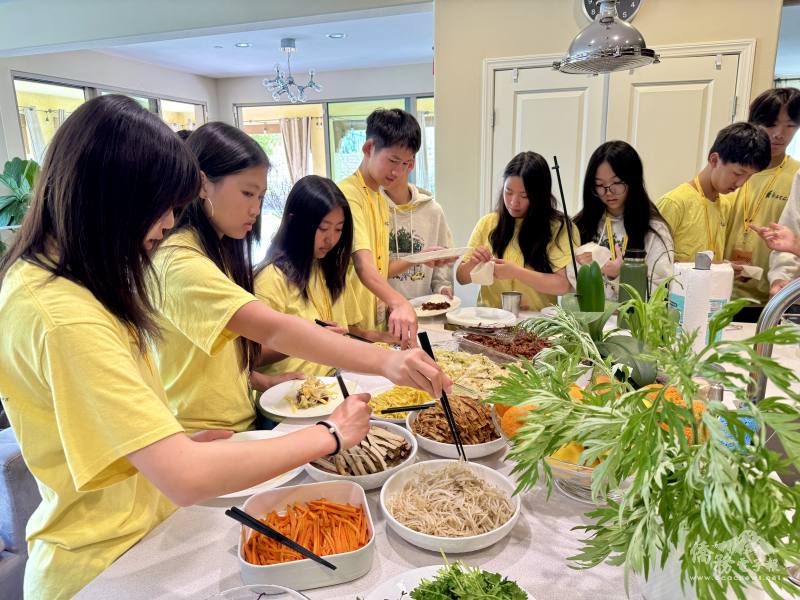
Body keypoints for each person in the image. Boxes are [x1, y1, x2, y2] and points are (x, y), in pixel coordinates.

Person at [0, 96, 448, 599]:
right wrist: (331, 432)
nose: (169, 222)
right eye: (162, 206)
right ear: (111, 198)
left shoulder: (65, 282)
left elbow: (87, 428)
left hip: (147, 529)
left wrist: (173, 444)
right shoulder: (63, 312)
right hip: (103, 566)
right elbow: (190, 471)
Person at [151, 122, 446, 433]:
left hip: (239, 421)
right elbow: (274, 331)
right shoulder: (181, 262)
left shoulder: (217, 253)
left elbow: (227, 353)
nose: (256, 209)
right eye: (247, 193)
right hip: (203, 432)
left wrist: (262, 381)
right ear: (202, 184)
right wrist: (387, 362)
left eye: (261, 197)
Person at [254, 175, 394, 377]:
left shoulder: (326, 268)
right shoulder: (271, 278)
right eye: (323, 228)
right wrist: (309, 339)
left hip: (333, 383)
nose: (331, 239)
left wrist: (378, 340)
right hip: (291, 396)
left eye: (338, 229)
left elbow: (344, 331)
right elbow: (252, 356)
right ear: (295, 222)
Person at [337, 108, 420, 345]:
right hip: (349, 325)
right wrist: (400, 302)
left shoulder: (381, 198)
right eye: (393, 160)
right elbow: (364, 267)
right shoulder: (348, 195)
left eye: (406, 163)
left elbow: (380, 268)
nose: (398, 171)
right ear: (368, 148)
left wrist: (420, 258)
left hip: (372, 322)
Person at [456, 151, 575, 310]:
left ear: (540, 195)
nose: (513, 202)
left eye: (524, 196)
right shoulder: (488, 223)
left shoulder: (558, 227)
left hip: (536, 323)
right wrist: (473, 262)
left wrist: (515, 272)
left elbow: (563, 286)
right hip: (489, 321)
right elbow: (461, 278)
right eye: (508, 192)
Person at [722, 88, 800, 320]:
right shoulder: (728, 170)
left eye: (790, 126)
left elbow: (792, 238)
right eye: (772, 123)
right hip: (721, 293)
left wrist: (781, 282)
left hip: (769, 301)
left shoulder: (796, 175)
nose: (779, 134)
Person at [657, 122, 771, 264]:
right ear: (714, 159)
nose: (741, 183)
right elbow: (653, 263)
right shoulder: (674, 203)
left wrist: (725, 268)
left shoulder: (724, 205)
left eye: (749, 176)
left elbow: (707, 260)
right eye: (737, 173)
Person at [573, 141, 673, 299]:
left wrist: (621, 275)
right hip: (587, 320)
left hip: (630, 322)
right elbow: (570, 287)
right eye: (600, 185)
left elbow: (662, 292)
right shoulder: (582, 224)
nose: (608, 192)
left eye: (617, 183)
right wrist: (576, 265)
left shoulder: (653, 229)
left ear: (633, 181)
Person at [382, 168, 456, 299]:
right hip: (383, 310)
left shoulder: (433, 210)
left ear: (409, 163)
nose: (389, 170)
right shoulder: (373, 209)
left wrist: (442, 287)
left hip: (424, 309)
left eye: (394, 161)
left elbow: (443, 260)